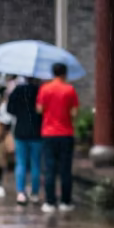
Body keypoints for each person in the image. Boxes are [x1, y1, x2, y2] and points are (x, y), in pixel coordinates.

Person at [37, 62, 80, 213]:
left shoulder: (45, 89)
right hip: (66, 133)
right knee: (65, 169)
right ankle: (65, 202)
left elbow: (40, 109)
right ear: (65, 74)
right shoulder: (69, 90)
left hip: (49, 133)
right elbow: (74, 112)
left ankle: (50, 202)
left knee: (49, 168)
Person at [7, 76, 43, 205]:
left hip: (20, 130)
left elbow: (9, 109)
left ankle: (21, 193)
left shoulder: (18, 90)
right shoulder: (40, 91)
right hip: (37, 132)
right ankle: (34, 193)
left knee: (21, 163)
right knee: (36, 164)